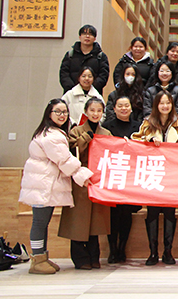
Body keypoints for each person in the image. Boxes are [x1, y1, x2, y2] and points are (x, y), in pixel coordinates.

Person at [19, 99, 93, 274]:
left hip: (43, 183)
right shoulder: (51, 136)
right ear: (49, 114)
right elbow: (64, 160)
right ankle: (37, 259)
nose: (62, 115)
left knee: (42, 222)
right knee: (39, 223)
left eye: (65, 112)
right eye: (58, 112)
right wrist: (82, 175)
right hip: (42, 184)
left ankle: (42, 257)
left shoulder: (53, 132)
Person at [132, 90, 178, 265]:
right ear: (156, 105)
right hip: (153, 174)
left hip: (172, 175)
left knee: (170, 213)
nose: (165, 106)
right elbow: (135, 141)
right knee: (152, 212)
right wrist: (148, 140)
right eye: (162, 103)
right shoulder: (147, 123)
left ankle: (168, 252)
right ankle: (153, 252)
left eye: (168, 103)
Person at [58, 97, 111, 270]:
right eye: (92, 110)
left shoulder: (106, 133)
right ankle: (80, 258)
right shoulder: (76, 131)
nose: (95, 114)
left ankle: (94, 257)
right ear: (86, 112)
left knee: (95, 222)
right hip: (80, 179)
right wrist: (85, 139)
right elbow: (71, 153)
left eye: (99, 111)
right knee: (78, 221)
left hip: (97, 180)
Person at [102, 96, 142, 264]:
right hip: (113, 175)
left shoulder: (138, 127)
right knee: (113, 214)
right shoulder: (106, 127)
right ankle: (112, 249)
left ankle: (122, 248)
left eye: (126, 105)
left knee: (126, 214)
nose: (124, 108)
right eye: (120, 106)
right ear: (114, 108)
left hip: (130, 176)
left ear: (131, 108)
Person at [59, 24, 109, 94]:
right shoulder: (70, 55)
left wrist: (89, 88)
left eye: (90, 34)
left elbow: (103, 76)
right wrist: (74, 89)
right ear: (80, 37)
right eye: (84, 34)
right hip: (72, 94)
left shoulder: (100, 56)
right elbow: (64, 74)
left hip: (92, 94)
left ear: (95, 38)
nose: (87, 36)